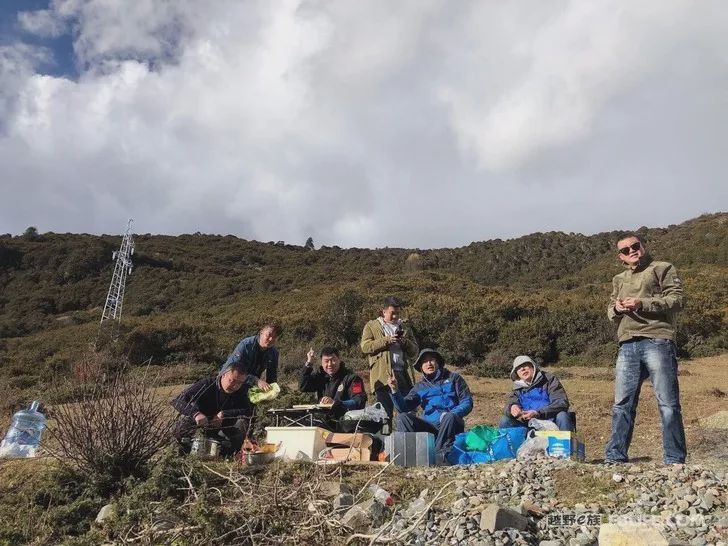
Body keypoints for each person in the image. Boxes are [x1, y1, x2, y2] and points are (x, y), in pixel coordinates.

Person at [605, 234, 686, 465]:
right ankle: (615, 456)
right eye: (625, 250)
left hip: (657, 339)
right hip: (627, 342)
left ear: (643, 246)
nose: (631, 251)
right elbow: (610, 309)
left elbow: (677, 300)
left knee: (668, 403)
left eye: (635, 246)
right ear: (620, 257)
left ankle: (674, 460)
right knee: (622, 403)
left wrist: (643, 303)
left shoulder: (662, 268)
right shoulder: (618, 279)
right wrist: (618, 309)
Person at [388, 348, 473, 456]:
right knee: (403, 417)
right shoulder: (419, 387)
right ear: (421, 367)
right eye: (424, 361)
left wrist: (453, 413)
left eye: (431, 360)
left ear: (438, 362)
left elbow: (467, 401)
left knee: (449, 417)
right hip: (430, 427)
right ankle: (408, 456)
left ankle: (439, 455)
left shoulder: (454, 378)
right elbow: (403, 407)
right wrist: (395, 390)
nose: (428, 363)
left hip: (451, 424)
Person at [172, 363, 254, 455]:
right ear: (223, 375)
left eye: (239, 383)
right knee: (181, 428)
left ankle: (226, 450)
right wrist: (196, 414)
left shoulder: (241, 390)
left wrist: (225, 414)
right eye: (232, 381)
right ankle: (182, 453)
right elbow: (178, 400)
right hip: (200, 421)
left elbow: (248, 410)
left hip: (224, 425)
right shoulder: (207, 384)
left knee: (239, 430)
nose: (235, 386)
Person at [361, 297, 419, 418]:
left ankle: (407, 434)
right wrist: (387, 340)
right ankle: (384, 436)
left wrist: (406, 343)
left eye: (398, 313)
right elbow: (365, 347)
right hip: (383, 375)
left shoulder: (405, 327)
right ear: (384, 311)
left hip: (403, 374)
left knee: (407, 410)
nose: (395, 316)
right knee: (384, 413)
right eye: (392, 313)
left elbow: (415, 351)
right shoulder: (372, 326)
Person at [498, 355, 572, 431]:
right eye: (519, 368)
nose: (522, 369)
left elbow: (561, 402)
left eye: (525, 365)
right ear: (517, 373)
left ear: (533, 366)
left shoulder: (549, 379)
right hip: (530, 427)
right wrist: (512, 408)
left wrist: (537, 413)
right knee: (505, 421)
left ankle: (564, 442)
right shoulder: (517, 388)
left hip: (553, 424)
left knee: (562, 415)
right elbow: (510, 404)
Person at [299, 346, 368, 427]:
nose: (330, 364)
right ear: (321, 362)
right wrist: (309, 363)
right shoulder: (320, 376)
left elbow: (359, 401)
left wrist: (336, 403)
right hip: (322, 421)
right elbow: (303, 386)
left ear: (339, 360)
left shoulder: (352, 378)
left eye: (333, 360)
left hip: (344, 422)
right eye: (326, 361)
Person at [222, 322, 282, 392]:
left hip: (249, 386)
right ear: (261, 332)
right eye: (269, 335)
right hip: (230, 384)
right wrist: (256, 381)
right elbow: (231, 372)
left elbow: (272, 377)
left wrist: (271, 392)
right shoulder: (246, 345)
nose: (271, 339)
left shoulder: (273, 353)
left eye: (275, 337)